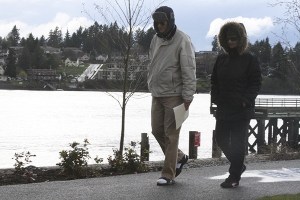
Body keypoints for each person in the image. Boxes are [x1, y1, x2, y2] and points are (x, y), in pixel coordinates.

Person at [147, 6, 196, 186]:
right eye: (157, 23)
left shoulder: (183, 40)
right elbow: (153, 63)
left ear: (170, 21)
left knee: (171, 135)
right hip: (157, 93)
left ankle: (168, 174)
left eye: (163, 23)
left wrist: (188, 96)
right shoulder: (155, 39)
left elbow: (189, 68)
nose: (160, 26)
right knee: (157, 130)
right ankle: (180, 157)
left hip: (175, 94)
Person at [210, 21, 262, 188]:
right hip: (224, 106)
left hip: (241, 109)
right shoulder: (222, 58)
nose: (231, 42)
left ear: (241, 39)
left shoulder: (250, 59)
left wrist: (245, 100)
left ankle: (233, 177)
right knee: (221, 139)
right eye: (228, 39)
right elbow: (214, 81)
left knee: (239, 142)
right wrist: (215, 98)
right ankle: (239, 165)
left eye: (234, 38)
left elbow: (255, 83)